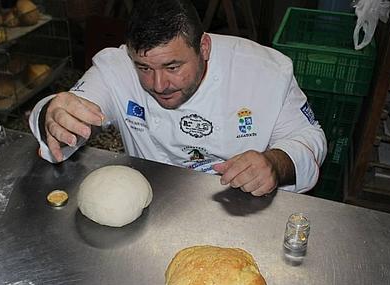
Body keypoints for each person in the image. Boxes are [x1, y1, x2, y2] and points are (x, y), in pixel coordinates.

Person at [29, 0, 327, 196]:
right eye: (144, 68)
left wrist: (274, 163)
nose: (159, 84)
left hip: (246, 208)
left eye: (173, 67)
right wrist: (52, 114)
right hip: (154, 203)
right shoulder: (117, 69)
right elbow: (71, 108)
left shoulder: (265, 72)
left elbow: (308, 138)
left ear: (204, 48)